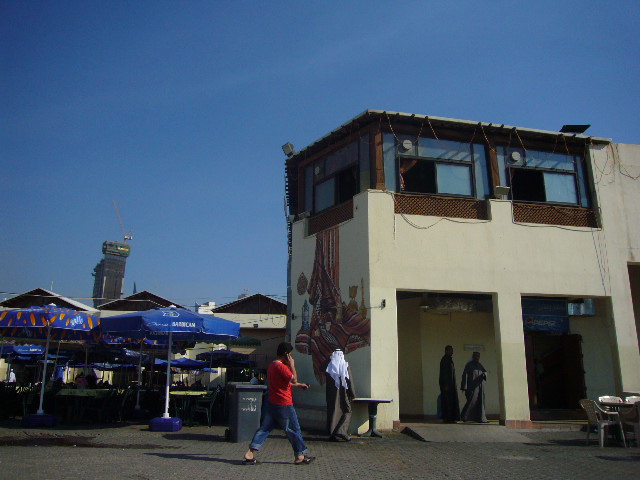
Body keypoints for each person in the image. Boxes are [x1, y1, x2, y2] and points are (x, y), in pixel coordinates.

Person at [243, 342, 315, 465]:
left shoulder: (272, 366)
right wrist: (292, 365)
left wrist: (299, 385)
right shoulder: (282, 367)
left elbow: (283, 383)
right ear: (286, 355)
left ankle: (250, 453)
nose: (291, 357)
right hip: (284, 403)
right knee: (293, 429)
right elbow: (294, 379)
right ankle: (300, 455)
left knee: (265, 428)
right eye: (290, 354)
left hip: (272, 403)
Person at [324, 349, 355, 442]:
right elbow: (349, 381)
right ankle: (341, 431)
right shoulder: (344, 365)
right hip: (343, 393)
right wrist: (353, 393)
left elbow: (322, 367)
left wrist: (328, 359)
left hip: (331, 394)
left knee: (333, 412)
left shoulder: (329, 366)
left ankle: (332, 433)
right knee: (347, 410)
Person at [460, 352, 488, 423]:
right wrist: (464, 386)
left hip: (479, 387)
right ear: (473, 356)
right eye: (476, 356)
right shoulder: (469, 365)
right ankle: (464, 416)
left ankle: (479, 418)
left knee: (479, 402)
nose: (477, 357)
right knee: (471, 402)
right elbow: (465, 375)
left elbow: (485, 371)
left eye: (478, 356)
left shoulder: (480, 365)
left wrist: (484, 374)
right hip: (471, 387)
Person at [439, 345, 460, 423]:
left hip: (451, 385)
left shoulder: (449, 360)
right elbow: (444, 373)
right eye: (450, 350)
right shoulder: (445, 360)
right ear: (446, 351)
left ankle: (452, 418)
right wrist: (446, 385)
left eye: (452, 350)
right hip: (447, 386)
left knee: (452, 402)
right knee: (447, 402)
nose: (452, 352)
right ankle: (448, 418)